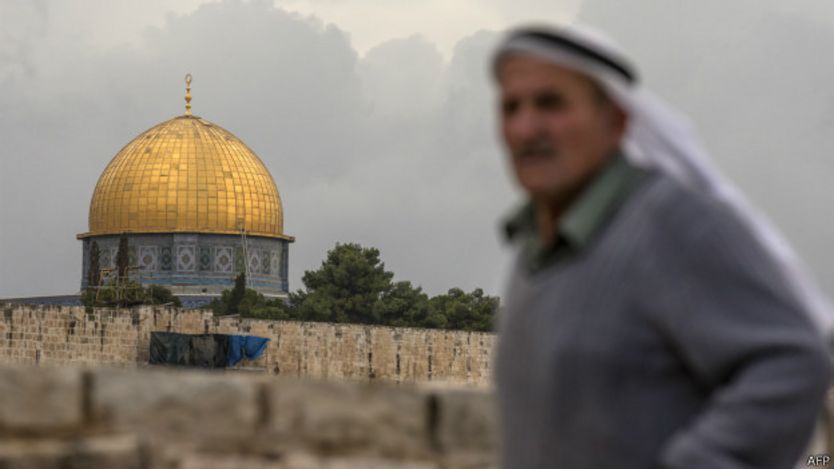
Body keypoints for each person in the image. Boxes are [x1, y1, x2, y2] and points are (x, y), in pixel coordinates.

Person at [492, 24, 832, 469]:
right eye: (510, 107)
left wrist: (702, 459)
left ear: (616, 121)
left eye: (550, 103)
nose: (525, 127)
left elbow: (792, 360)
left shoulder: (670, 224)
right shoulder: (533, 252)